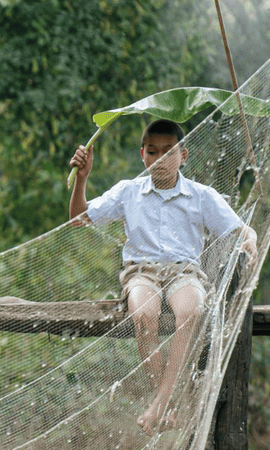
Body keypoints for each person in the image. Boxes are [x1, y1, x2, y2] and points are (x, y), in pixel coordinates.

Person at [67, 119, 257, 434]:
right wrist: (82, 179)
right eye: (152, 152)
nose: (160, 159)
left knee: (191, 310)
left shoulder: (200, 195)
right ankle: (166, 404)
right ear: (142, 155)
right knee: (144, 314)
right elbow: (78, 218)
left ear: (183, 155)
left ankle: (160, 405)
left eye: (169, 152)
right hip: (141, 272)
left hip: (184, 271)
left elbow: (240, 228)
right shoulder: (129, 191)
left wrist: (250, 238)